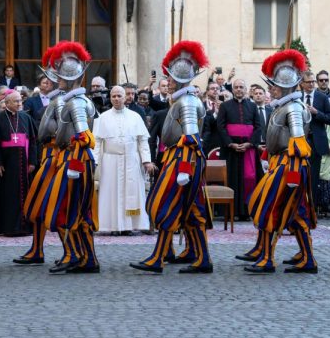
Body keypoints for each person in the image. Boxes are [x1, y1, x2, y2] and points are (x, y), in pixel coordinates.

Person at [130, 40, 213, 274]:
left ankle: (159, 257)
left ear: (178, 79)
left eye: (171, 78)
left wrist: (184, 170)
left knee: (166, 205)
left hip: (183, 161)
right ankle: (200, 258)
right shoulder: (183, 99)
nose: (168, 81)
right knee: (192, 212)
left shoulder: (186, 102)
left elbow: (190, 139)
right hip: (181, 159)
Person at [238, 49, 318, 274]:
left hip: (289, 167)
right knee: (295, 213)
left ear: (284, 86)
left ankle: (267, 258)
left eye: (274, 85)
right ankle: (307, 258)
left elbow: (299, 145)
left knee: (270, 209)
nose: (270, 88)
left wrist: (292, 176)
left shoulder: (292, 108)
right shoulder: (283, 106)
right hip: (280, 163)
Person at [42, 41, 100, 274]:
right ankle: (86, 258)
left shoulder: (75, 103)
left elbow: (83, 137)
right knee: (77, 210)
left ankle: (80, 256)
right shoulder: (78, 100)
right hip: (74, 158)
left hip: (75, 159)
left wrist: (74, 164)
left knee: (72, 209)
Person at [14, 47, 64, 265]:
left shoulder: (63, 102)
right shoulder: (53, 101)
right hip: (47, 155)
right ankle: (37, 249)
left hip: (59, 157)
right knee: (37, 205)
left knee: (58, 206)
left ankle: (73, 253)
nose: (49, 83)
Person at [93, 85, 155, 234]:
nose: (116, 99)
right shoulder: (103, 117)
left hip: (131, 160)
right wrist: (94, 162)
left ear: (125, 97)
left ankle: (130, 226)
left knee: (131, 192)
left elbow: (142, 141)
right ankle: (112, 226)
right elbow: (97, 142)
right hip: (110, 161)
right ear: (110, 97)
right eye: (113, 96)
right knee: (111, 193)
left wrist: (146, 160)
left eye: (119, 96)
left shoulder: (135, 116)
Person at [0, 90, 37, 236]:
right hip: (7, 164)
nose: (19, 104)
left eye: (20, 101)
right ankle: (9, 227)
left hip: (24, 163)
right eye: (16, 101)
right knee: (8, 196)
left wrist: (32, 162)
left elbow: (34, 142)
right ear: (7, 103)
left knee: (26, 194)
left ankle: (25, 227)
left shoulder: (26, 117)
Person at [216, 79, 262, 221]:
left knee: (249, 179)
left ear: (246, 89)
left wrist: (249, 143)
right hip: (231, 150)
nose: (239, 90)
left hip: (248, 150)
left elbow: (258, 127)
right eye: (236, 87)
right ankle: (231, 212)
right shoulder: (225, 106)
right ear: (232, 90)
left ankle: (246, 211)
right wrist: (230, 144)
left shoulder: (253, 107)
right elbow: (220, 127)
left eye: (241, 87)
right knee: (231, 179)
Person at [300, 70, 330, 215]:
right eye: (308, 82)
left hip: (315, 142)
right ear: (302, 84)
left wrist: (316, 113)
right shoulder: (297, 98)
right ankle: (298, 206)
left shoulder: (321, 98)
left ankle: (311, 210)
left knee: (313, 177)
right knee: (299, 175)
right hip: (300, 141)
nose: (311, 85)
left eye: (313, 82)